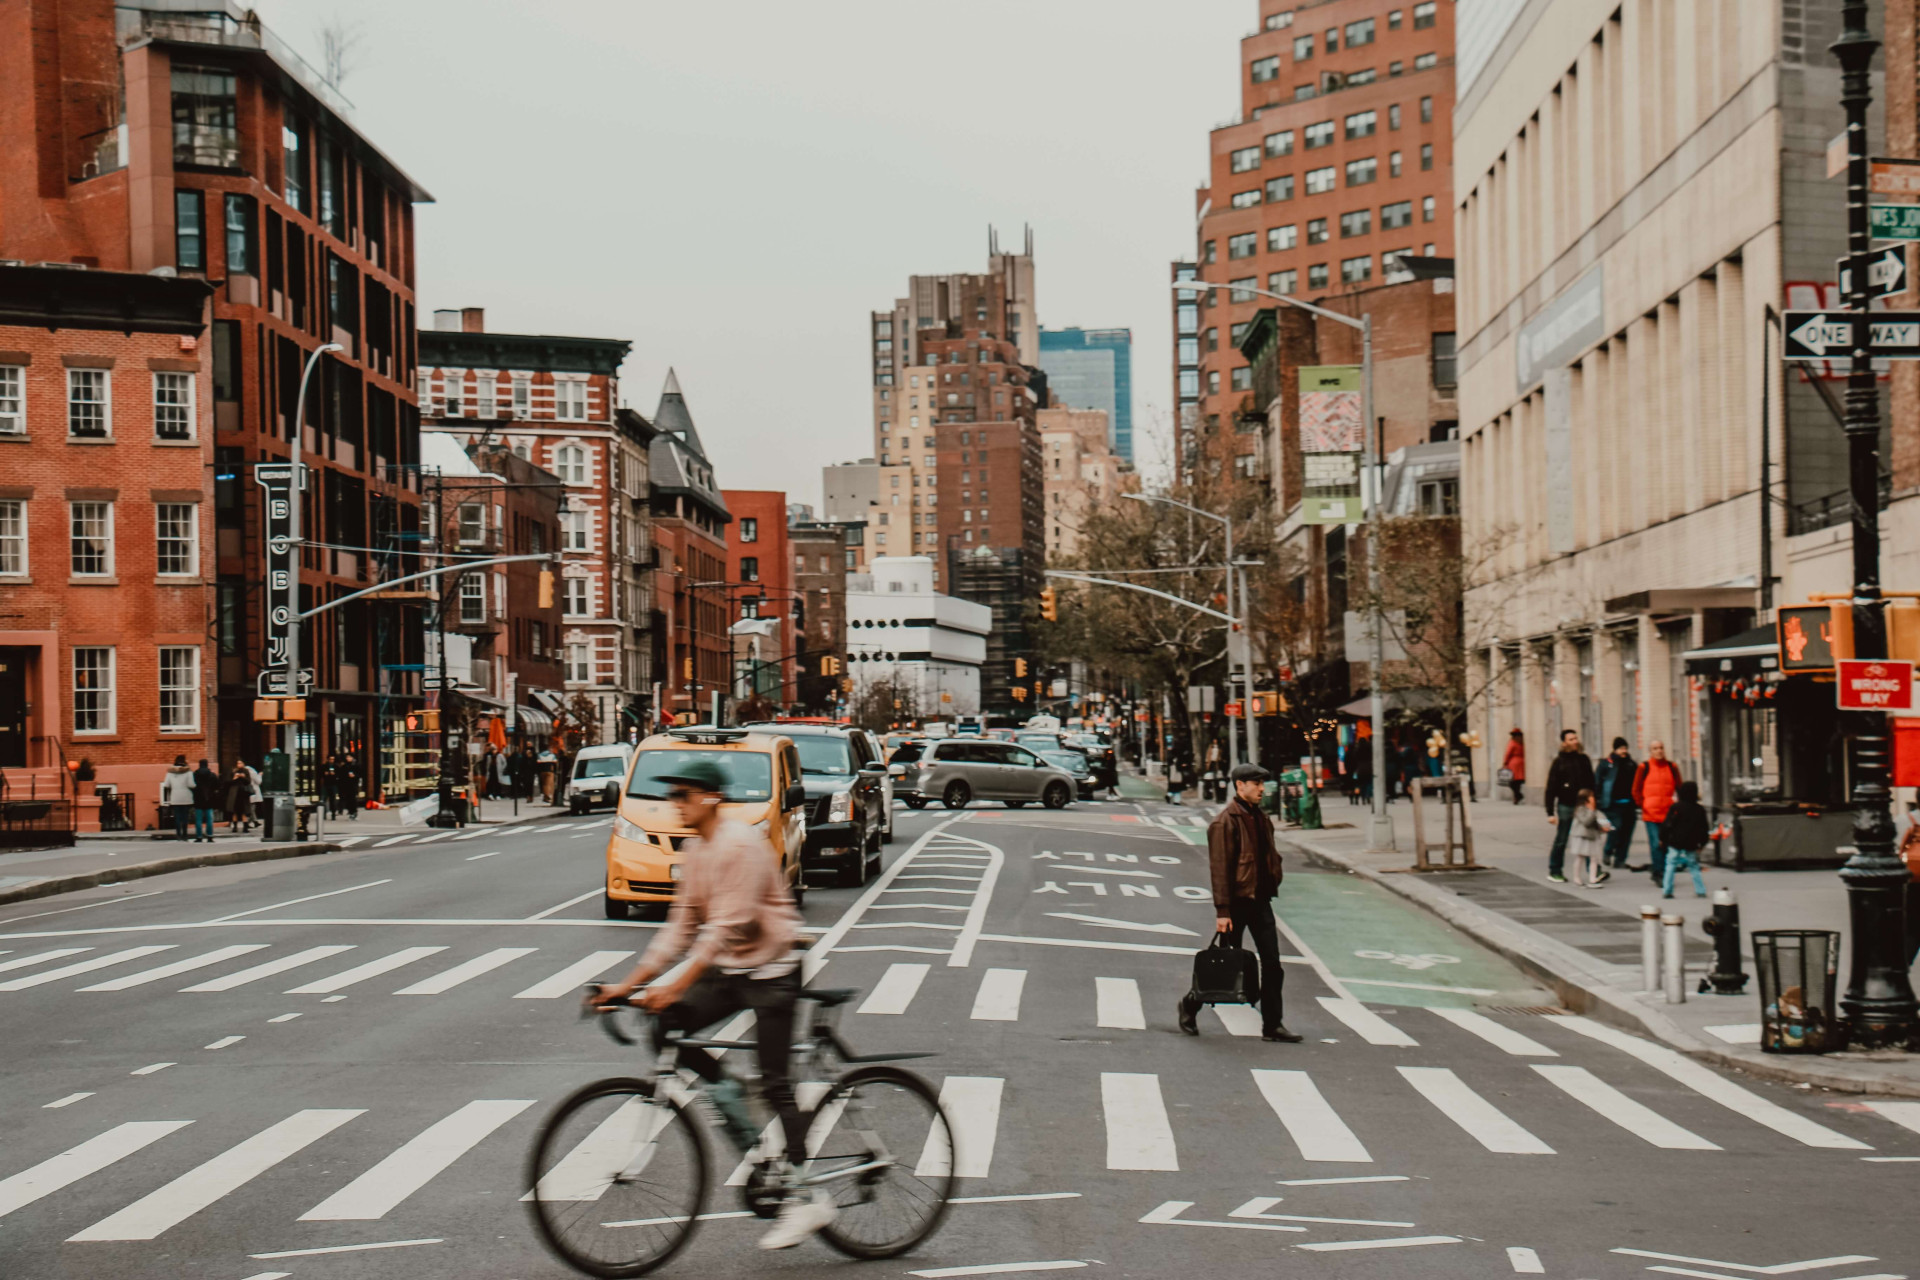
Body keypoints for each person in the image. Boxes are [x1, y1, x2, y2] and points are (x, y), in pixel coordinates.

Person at [588, 758, 829, 1252]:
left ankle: (805, 1198)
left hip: (772, 968)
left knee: (776, 1081)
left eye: (682, 795)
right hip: (732, 969)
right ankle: (728, 1093)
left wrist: (675, 986)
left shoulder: (739, 844)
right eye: (672, 796)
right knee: (665, 1024)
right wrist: (628, 986)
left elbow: (724, 930)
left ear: (710, 798)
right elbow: (680, 928)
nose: (674, 804)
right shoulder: (697, 850)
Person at [1180, 763, 1301, 1043]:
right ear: (1239, 786)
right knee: (1222, 966)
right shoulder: (1225, 822)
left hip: (1260, 902)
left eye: (1262, 783)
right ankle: (1189, 1004)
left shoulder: (1261, 818)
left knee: (1273, 964)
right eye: (1256, 783)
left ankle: (1272, 1025)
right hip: (1235, 905)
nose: (1262, 789)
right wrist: (1222, 911)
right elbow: (1220, 870)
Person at [1543, 728, 1595, 884]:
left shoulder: (1584, 759)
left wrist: (1593, 802)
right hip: (1566, 804)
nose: (1575, 742)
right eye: (1571, 739)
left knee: (1589, 836)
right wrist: (1550, 812)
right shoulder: (1559, 762)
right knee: (1562, 839)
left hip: (1583, 805)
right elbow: (1551, 787)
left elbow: (1592, 782)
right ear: (1564, 742)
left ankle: (1594, 870)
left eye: (1575, 738)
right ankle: (1555, 870)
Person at [1633, 741, 1683, 886]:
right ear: (1650, 751)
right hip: (1651, 813)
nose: (1659, 751)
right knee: (1656, 844)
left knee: (1667, 844)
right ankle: (1658, 873)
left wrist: (1679, 807)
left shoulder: (1672, 767)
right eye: (1655, 748)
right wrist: (1643, 805)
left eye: (1661, 748)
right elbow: (1636, 789)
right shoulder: (1644, 767)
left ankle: (1666, 872)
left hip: (1668, 813)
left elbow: (1679, 787)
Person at [1659, 780, 1711, 899]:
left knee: (1670, 865)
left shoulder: (1676, 807)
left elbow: (1667, 824)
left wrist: (1662, 838)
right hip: (1691, 842)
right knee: (1693, 867)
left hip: (1675, 841)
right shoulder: (1699, 809)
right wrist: (1702, 843)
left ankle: (1667, 890)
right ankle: (1700, 890)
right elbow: (1704, 828)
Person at [1594, 738, 1639, 869]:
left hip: (1629, 804)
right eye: (1620, 749)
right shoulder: (1606, 764)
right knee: (1616, 827)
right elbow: (1597, 782)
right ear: (1615, 749)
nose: (1623, 751)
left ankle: (1620, 859)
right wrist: (1598, 799)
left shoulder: (1631, 764)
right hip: (1612, 804)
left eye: (1625, 748)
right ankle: (1608, 851)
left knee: (1627, 832)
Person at [1565, 788, 1613, 887]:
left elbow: (1594, 823)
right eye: (1591, 797)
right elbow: (1586, 822)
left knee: (1594, 858)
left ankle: (1592, 878)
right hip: (1581, 836)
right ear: (1586, 799)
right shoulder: (1580, 809)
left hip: (1592, 836)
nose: (1594, 799)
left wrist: (1602, 828)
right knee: (1580, 857)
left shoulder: (1593, 809)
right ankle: (1576, 877)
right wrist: (1591, 811)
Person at [162, 754, 196, 841]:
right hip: (186, 797)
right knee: (185, 817)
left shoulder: (170, 771)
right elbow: (191, 785)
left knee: (177, 817)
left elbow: (166, 784)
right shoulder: (188, 771)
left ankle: (178, 835)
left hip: (175, 797)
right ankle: (185, 835)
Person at [224, 759, 258, 833]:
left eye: (240, 763)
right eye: (238, 763)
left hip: (243, 793)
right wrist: (234, 778)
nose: (239, 764)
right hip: (234, 794)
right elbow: (228, 782)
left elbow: (248, 781)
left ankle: (245, 827)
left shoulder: (246, 771)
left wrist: (243, 777)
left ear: (243, 763)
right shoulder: (233, 771)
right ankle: (235, 827)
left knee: (244, 811)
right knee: (235, 811)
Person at [191, 757, 221, 842]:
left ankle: (199, 836)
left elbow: (192, 786)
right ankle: (210, 836)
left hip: (198, 799)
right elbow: (217, 785)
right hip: (209, 799)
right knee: (209, 819)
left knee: (198, 819)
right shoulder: (212, 775)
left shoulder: (195, 774)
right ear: (207, 764)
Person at [1501, 728, 1527, 804]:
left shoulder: (1512, 743)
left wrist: (1505, 762)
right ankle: (1517, 797)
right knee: (1518, 782)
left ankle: (1518, 796)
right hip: (1521, 762)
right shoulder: (1522, 743)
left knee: (1512, 782)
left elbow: (1508, 753)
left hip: (1514, 763)